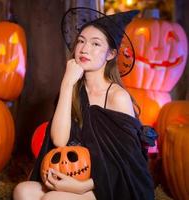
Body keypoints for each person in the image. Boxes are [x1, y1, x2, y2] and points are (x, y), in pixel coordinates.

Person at [13, 7, 156, 200]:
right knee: (22, 191)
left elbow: (127, 163)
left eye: (96, 44)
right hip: (78, 174)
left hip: (115, 185)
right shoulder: (74, 89)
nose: (84, 49)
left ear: (111, 54)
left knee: (52, 199)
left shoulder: (117, 97)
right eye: (81, 41)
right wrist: (67, 84)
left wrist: (82, 187)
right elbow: (59, 141)